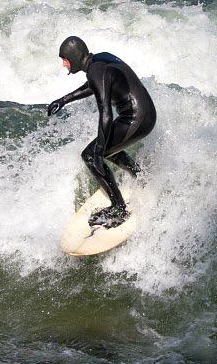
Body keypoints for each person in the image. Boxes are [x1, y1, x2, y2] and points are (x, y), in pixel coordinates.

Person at [47, 36, 156, 228]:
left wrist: (98, 152)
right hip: (146, 113)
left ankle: (118, 208)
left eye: (64, 59)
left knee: (90, 155)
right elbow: (96, 85)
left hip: (136, 119)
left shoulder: (96, 71)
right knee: (107, 146)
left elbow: (105, 114)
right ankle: (140, 176)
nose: (64, 64)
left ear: (73, 56)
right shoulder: (100, 60)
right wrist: (64, 99)